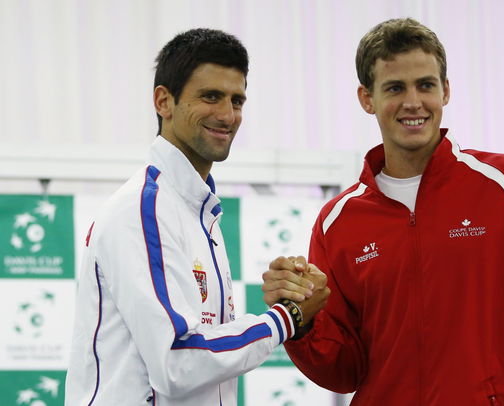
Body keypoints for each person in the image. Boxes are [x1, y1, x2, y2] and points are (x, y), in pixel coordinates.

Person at [262, 18, 504, 405]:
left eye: (425, 85)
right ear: (366, 98)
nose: (413, 102)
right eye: (394, 88)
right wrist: (300, 323)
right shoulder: (337, 222)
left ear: (446, 90)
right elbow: (344, 370)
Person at [65, 28, 328, 406]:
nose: (227, 115)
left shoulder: (196, 211)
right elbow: (177, 362)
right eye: (210, 97)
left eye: (237, 100)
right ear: (163, 102)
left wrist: (287, 298)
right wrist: (286, 318)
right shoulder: (145, 209)